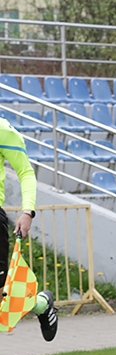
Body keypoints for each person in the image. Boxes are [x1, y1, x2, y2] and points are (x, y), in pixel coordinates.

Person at [0, 116, 58, 340]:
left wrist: (27, 211)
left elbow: (25, 171)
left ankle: (42, 304)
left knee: (3, 297)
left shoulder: (3, 130)